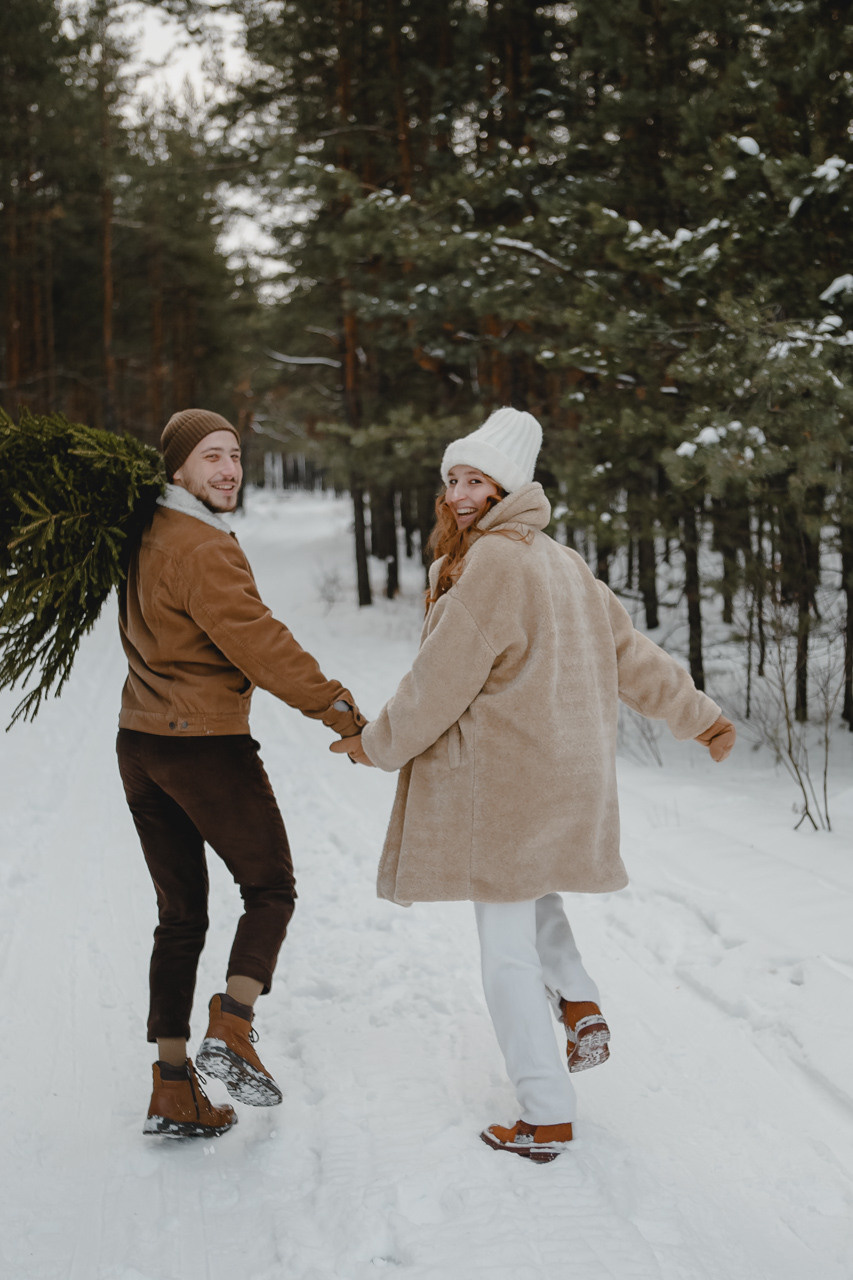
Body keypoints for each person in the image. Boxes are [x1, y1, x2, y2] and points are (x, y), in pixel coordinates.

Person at [332, 406, 735, 1163]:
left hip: (505, 788)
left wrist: (374, 745)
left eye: (473, 479)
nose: (456, 492)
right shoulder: (559, 561)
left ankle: (546, 1112)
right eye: (450, 477)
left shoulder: (493, 563)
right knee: (534, 895)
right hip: (556, 782)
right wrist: (700, 716)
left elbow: (438, 682)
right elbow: (631, 654)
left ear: (505, 486)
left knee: (504, 955)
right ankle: (578, 1001)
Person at [117, 408, 366, 1139]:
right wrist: (338, 708)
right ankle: (232, 1025)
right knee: (269, 888)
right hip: (202, 745)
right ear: (178, 470)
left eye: (234, 455)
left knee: (180, 916)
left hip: (139, 743)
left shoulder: (146, 531)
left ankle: (172, 1088)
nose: (228, 469)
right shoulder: (201, 546)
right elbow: (258, 642)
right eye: (211, 458)